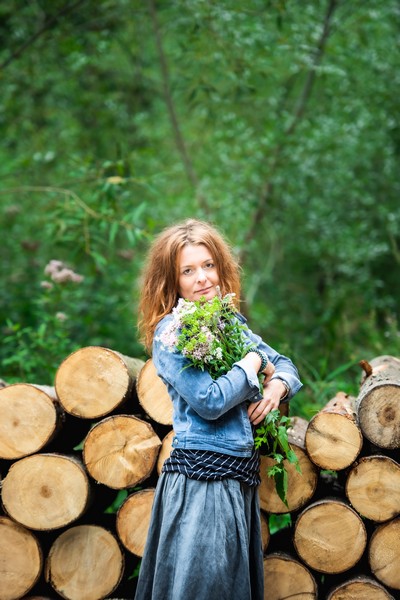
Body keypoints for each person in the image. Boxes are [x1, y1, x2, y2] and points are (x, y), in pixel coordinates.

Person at [135, 219, 302, 600]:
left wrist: (276, 386)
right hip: (201, 481)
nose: (202, 279)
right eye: (188, 271)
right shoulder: (171, 334)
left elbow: (287, 365)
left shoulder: (229, 324)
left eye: (208, 265)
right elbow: (210, 401)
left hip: (237, 477)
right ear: (172, 281)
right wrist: (254, 364)